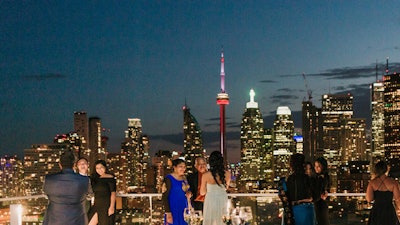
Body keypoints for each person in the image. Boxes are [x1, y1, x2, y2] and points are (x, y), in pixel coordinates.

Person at [43, 150, 90, 225]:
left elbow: (46, 192)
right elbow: (87, 194)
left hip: (54, 221)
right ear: (74, 164)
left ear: (60, 164)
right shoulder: (84, 180)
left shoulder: (49, 179)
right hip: (77, 221)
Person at [200, 151, 231, 225]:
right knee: (223, 220)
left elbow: (202, 192)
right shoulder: (227, 174)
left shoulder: (206, 175)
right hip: (223, 199)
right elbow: (226, 188)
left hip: (210, 200)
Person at [366, 161, 400, 225]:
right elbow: (397, 199)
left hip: (377, 210)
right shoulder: (393, 183)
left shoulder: (372, 183)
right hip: (389, 210)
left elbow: (369, 199)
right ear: (386, 169)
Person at [286, 153, 315, 225]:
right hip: (306, 210)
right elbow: (312, 197)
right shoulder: (307, 178)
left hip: (293, 211)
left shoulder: (290, 179)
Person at [162, 158, 191, 225]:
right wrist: (168, 213)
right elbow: (165, 196)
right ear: (174, 167)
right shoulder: (168, 179)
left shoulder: (184, 178)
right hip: (173, 209)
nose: (183, 169)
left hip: (184, 209)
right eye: (180, 166)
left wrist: (189, 193)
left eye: (184, 167)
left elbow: (187, 192)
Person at [88, 160, 116, 225]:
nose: (99, 170)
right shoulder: (94, 179)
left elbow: (113, 193)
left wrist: (111, 207)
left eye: (101, 167)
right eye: (97, 168)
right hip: (96, 205)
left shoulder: (110, 177)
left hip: (106, 205)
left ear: (105, 167)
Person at [314, 157, 330, 225]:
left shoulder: (322, 178)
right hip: (320, 204)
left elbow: (322, 191)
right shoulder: (319, 177)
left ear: (323, 167)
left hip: (320, 204)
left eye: (318, 166)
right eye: (315, 166)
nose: (316, 168)